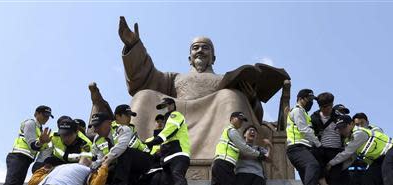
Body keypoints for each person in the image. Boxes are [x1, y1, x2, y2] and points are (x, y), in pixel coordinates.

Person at [112, 17, 290, 162]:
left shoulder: (223, 81)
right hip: (177, 115)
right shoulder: (174, 78)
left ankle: (234, 156)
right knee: (144, 95)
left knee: (231, 96)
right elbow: (146, 77)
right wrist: (133, 46)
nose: (200, 51)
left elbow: (251, 114)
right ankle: (131, 155)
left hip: (214, 115)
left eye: (205, 48)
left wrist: (251, 99)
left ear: (213, 57)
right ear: (189, 57)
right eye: (195, 48)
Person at [327, 115, 393, 185]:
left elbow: (347, 153)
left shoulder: (359, 133)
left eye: (344, 127)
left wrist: (330, 164)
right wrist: (337, 171)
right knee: (368, 177)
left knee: (388, 169)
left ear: (352, 124)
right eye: (339, 129)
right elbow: (351, 158)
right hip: (381, 158)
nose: (342, 130)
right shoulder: (348, 140)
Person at [1, 105, 53, 185]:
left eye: (48, 116)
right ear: (36, 113)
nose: (46, 118)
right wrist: (41, 142)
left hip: (26, 159)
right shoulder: (30, 123)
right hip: (18, 156)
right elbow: (32, 144)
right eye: (44, 115)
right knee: (12, 184)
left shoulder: (40, 130)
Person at [212, 112, 267, 185]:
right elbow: (244, 147)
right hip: (224, 163)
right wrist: (259, 154)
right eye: (239, 119)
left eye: (242, 120)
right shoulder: (232, 131)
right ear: (231, 119)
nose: (241, 122)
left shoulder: (231, 131)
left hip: (225, 164)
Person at [144, 97, 191, 185]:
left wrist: (154, 141)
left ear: (172, 105)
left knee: (177, 176)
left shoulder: (175, 115)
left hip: (178, 154)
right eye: (161, 107)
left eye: (164, 106)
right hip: (168, 157)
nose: (163, 109)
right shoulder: (166, 121)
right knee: (167, 183)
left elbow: (169, 131)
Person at [310, 93, 350, 185]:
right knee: (320, 171)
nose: (327, 109)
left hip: (336, 150)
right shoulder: (314, 117)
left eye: (329, 107)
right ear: (320, 106)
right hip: (321, 150)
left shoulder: (338, 116)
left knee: (335, 178)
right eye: (324, 107)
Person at [286, 89, 322, 185]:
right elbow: (304, 129)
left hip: (304, 148)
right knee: (312, 165)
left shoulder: (305, 113)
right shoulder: (297, 110)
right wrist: (318, 144)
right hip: (297, 147)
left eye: (312, 100)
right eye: (309, 99)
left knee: (307, 174)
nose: (311, 102)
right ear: (300, 99)